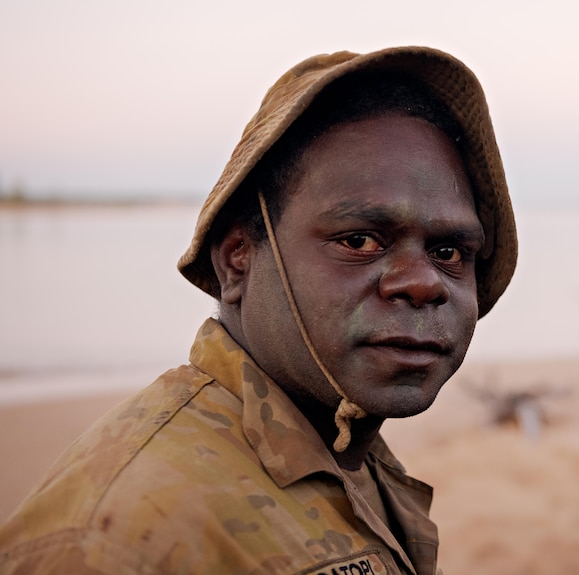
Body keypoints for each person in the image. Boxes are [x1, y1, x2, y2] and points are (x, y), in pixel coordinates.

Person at [0, 46, 516, 574]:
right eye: (360, 240)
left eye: (450, 252)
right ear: (237, 260)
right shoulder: (118, 533)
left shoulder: (347, 444)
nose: (423, 283)